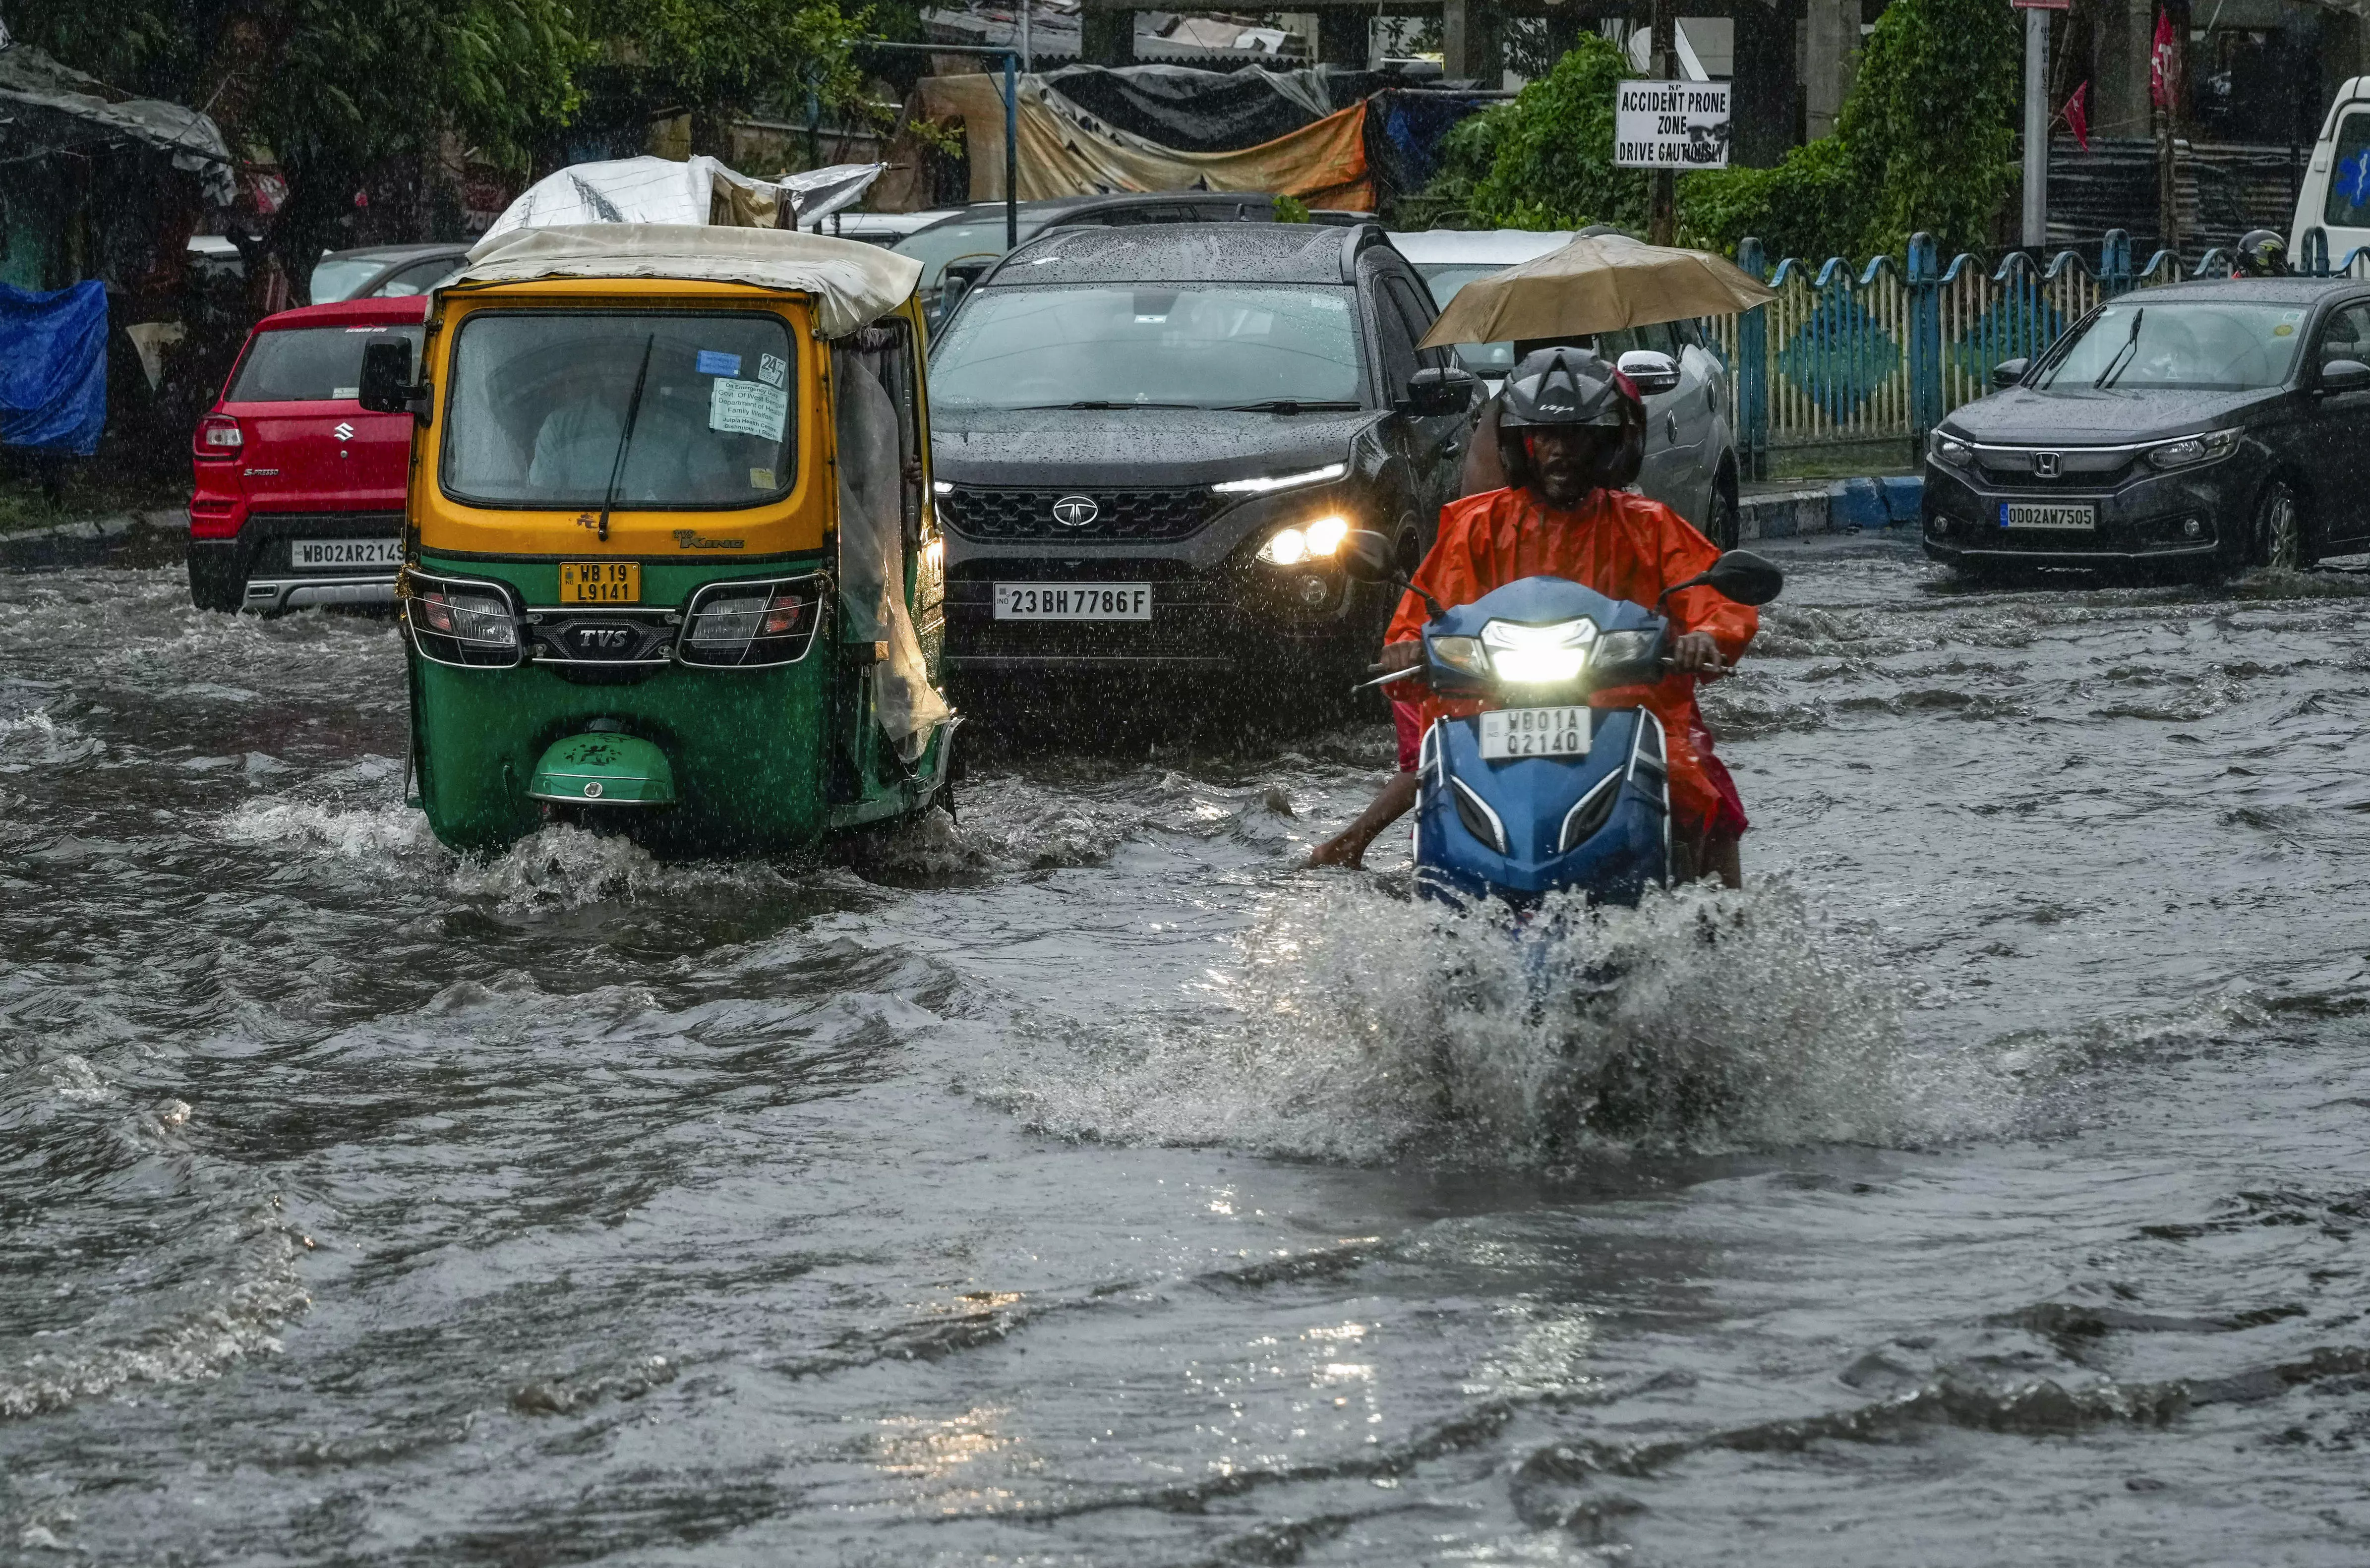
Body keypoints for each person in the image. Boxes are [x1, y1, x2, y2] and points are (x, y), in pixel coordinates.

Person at [1305, 346, 1757, 883]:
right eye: (1543, 436)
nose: (1558, 450)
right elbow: (1420, 612)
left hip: (1627, 704)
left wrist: (1702, 637)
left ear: (1608, 443)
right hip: (1493, 702)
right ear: (1521, 444)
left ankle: (1721, 919)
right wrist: (1406, 646)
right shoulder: (1478, 527)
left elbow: (1714, 599)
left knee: (1697, 783)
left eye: (1575, 435)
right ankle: (1443, 888)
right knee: (1438, 780)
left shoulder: (1649, 525)